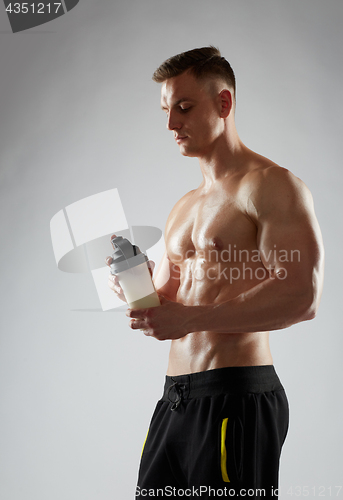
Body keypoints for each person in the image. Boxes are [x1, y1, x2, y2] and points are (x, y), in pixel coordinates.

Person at [107, 47, 324, 498]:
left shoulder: (270, 186)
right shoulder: (184, 205)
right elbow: (170, 300)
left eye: (184, 108)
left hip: (236, 398)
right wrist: (137, 285)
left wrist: (189, 320)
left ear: (224, 104)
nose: (171, 125)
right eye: (167, 111)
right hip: (175, 400)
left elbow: (303, 296)